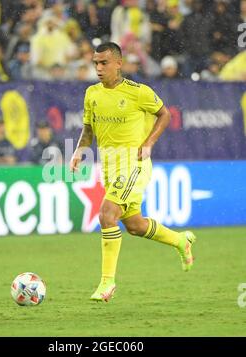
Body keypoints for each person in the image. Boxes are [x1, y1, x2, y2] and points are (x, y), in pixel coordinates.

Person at [69, 42, 196, 302]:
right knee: (135, 225)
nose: (99, 68)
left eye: (104, 63)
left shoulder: (139, 92)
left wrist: (148, 143)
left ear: (119, 63)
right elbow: (88, 128)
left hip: (134, 164)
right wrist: (80, 150)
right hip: (110, 167)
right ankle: (180, 241)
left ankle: (107, 283)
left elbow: (164, 115)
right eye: (95, 63)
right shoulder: (91, 93)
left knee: (107, 214)